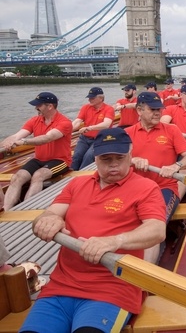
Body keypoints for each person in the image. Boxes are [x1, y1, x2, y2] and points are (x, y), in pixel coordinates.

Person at [19, 128, 166, 333]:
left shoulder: (146, 187)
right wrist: (48, 220)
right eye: (106, 158)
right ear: (95, 158)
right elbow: (47, 215)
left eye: (120, 157)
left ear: (130, 155)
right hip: (60, 287)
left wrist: (114, 241)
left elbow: (157, 229)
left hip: (112, 290)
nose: (114, 164)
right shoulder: (77, 183)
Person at [125, 92, 186, 263]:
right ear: (139, 110)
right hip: (133, 189)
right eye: (153, 109)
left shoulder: (171, 130)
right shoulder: (126, 133)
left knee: (153, 225)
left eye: (160, 109)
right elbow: (115, 163)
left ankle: (143, 277)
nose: (158, 113)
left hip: (163, 188)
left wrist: (176, 166)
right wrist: (132, 160)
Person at [0, 92, 72, 211]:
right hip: (39, 159)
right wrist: (9, 141)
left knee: (38, 175)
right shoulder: (34, 120)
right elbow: (18, 135)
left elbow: (47, 138)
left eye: (39, 105)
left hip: (60, 161)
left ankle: (26, 209)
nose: (35, 108)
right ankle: (6, 210)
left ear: (50, 106)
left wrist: (24, 142)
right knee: (17, 177)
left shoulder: (64, 122)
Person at [71, 87, 115, 170]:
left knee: (89, 156)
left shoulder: (109, 109)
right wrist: (66, 130)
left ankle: (82, 175)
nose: (89, 100)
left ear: (101, 98)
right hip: (84, 138)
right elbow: (77, 121)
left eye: (92, 98)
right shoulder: (85, 107)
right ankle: (72, 172)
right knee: (77, 155)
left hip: (100, 138)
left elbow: (106, 124)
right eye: (89, 98)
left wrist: (90, 128)